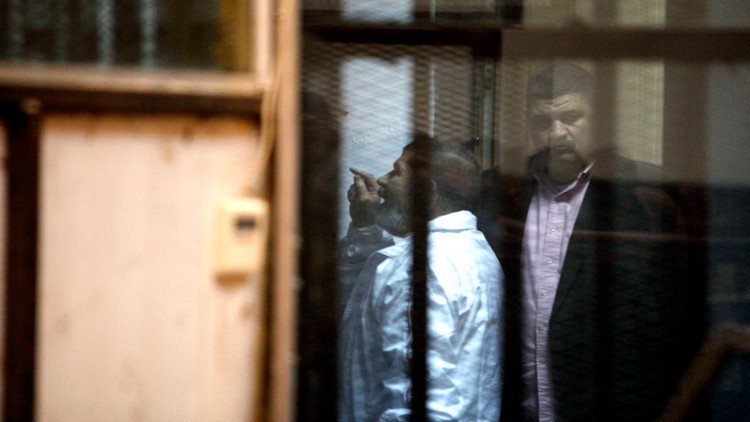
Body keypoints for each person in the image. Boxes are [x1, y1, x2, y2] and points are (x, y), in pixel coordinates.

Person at [477, 63, 702, 421]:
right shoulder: (498, 191)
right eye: (541, 122)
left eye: (571, 117)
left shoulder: (645, 195)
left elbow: (674, 323)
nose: (556, 134)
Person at [338, 137, 504, 421]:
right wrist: (365, 224)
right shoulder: (471, 250)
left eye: (396, 172)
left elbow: (417, 400)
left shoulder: (424, 266)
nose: (382, 180)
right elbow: (365, 307)